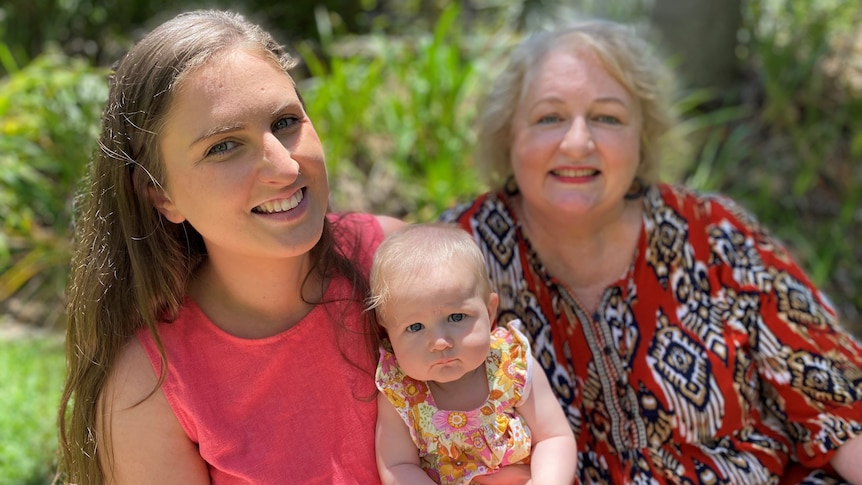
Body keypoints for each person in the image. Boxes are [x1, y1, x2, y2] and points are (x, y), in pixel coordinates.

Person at [439, 19, 862, 484]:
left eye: (607, 117)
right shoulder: (457, 258)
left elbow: (835, 401)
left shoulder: (713, 232)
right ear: (508, 136)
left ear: (642, 140)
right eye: (549, 118)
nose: (578, 142)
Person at [56, 10, 403, 484]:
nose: (284, 167)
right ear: (161, 194)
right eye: (223, 146)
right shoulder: (149, 384)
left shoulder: (396, 263)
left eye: (285, 121)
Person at [368, 223, 577, 485]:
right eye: (415, 327)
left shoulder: (510, 363)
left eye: (456, 317)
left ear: (490, 312)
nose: (440, 342)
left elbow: (553, 437)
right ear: (387, 334)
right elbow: (398, 467)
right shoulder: (399, 392)